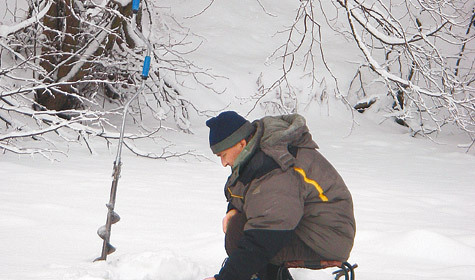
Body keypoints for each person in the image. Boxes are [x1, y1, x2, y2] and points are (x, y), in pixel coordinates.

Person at [203, 111, 356, 280]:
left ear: (241, 142)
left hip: (327, 237)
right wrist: (233, 208)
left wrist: (225, 278)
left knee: (246, 239)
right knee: (239, 227)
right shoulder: (259, 151)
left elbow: (264, 236)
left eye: (223, 155)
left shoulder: (276, 167)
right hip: (308, 224)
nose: (224, 163)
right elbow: (250, 189)